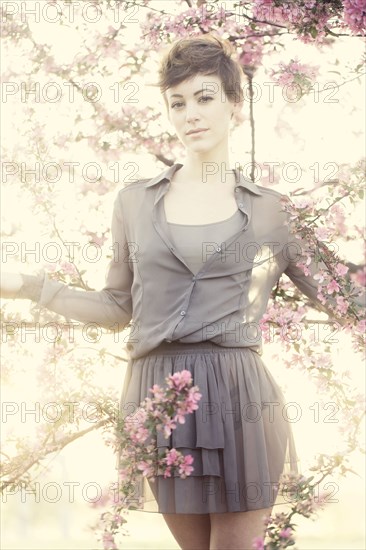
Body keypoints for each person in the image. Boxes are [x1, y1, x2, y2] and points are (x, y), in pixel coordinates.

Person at [1, 34, 363, 550]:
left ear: (234, 105)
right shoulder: (134, 203)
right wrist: (24, 286)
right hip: (158, 400)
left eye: (205, 97)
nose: (191, 113)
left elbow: (343, 297)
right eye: (178, 103)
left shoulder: (271, 211)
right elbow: (116, 307)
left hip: (241, 401)